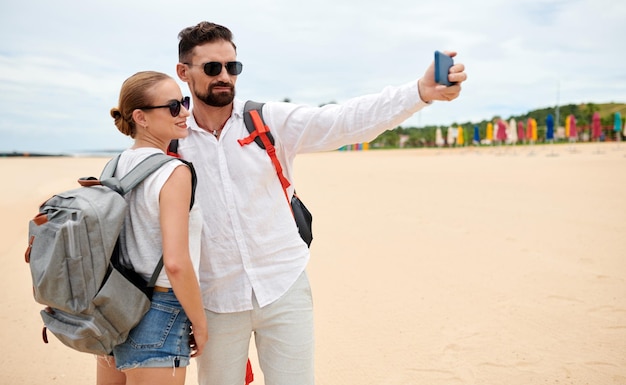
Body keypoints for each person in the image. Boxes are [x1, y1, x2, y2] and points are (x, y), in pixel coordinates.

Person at [174, 21, 467, 385]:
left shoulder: (266, 120)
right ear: (183, 72)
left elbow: (344, 121)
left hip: (283, 286)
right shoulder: (173, 140)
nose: (225, 76)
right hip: (215, 301)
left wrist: (419, 92)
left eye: (232, 67)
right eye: (212, 68)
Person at [97, 71, 208, 385]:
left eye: (183, 102)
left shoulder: (113, 167)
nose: (185, 112)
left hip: (113, 309)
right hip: (159, 310)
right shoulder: (174, 171)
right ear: (140, 117)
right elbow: (175, 262)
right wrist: (199, 323)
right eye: (173, 106)